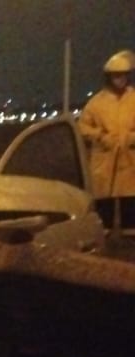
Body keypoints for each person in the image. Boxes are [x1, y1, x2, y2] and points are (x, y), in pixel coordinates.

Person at [79, 50, 135, 230]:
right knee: (105, 202)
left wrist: (131, 138)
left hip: (130, 158)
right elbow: (83, 127)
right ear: (109, 77)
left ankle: (130, 237)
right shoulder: (96, 103)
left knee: (130, 200)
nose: (121, 79)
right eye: (117, 76)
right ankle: (106, 235)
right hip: (105, 161)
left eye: (124, 76)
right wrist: (101, 137)